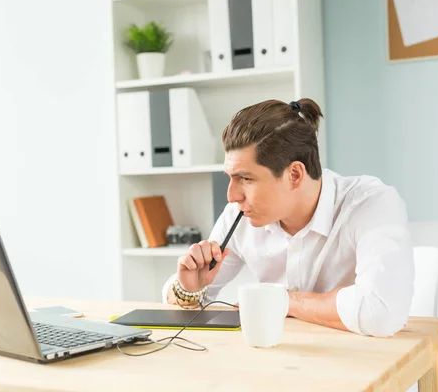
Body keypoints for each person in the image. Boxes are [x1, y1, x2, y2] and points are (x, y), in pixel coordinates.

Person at [162, 98, 414, 337]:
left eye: (246, 179)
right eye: (231, 177)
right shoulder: (241, 213)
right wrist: (188, 290)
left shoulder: (371, 204)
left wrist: (285, 301)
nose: (231, 195)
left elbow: (381, 313)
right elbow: (189, 301)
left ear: (294, 174)